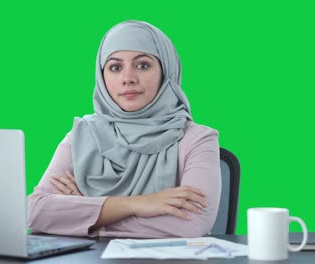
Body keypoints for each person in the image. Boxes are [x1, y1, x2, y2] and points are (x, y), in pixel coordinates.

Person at [28, 20, 221, 238]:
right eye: (115, 67)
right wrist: (137, 204)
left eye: (143, 65)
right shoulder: (82, 135)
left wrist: (87, 213)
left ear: (166, 71)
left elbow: (191, 224)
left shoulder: (198, 139)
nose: (127, 79)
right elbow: (35, 212)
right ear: (102, 77)